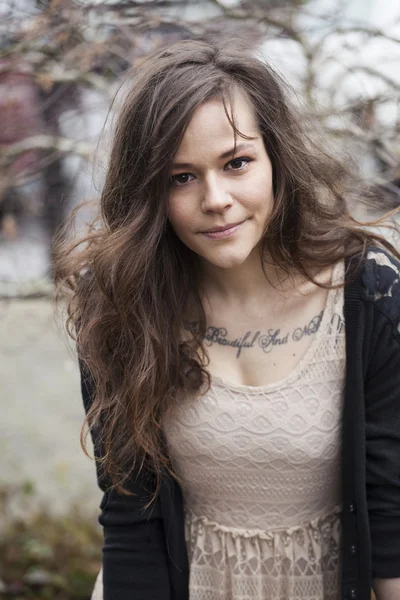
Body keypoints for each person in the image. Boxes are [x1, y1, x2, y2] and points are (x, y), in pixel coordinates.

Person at [54, 39, 400, 600]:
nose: (215, 198)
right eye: (180, 177)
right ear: (149, 191)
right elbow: (130, 520)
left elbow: (391, 519)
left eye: (236, 163)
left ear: (276, 160)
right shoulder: (122, 304)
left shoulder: (370, 292)